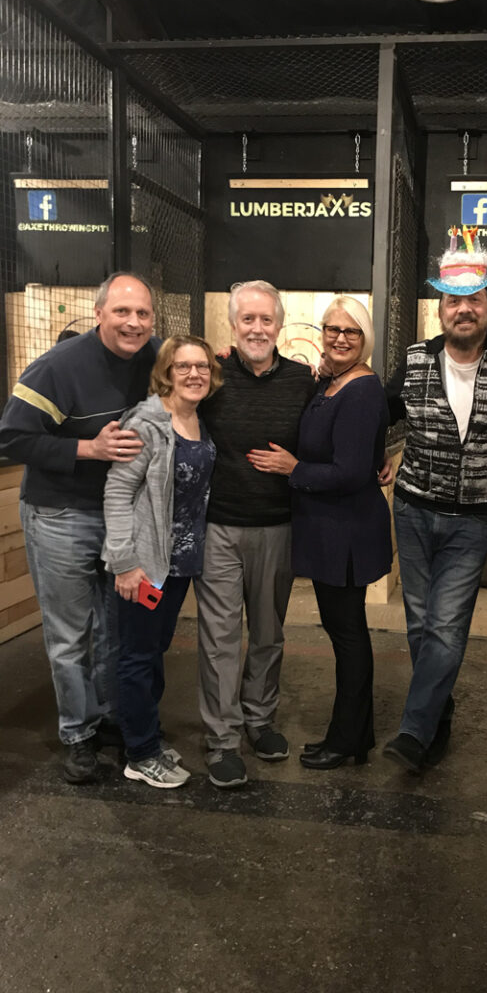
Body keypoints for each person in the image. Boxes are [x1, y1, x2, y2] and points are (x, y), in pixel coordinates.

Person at [382, 229, 487, 774]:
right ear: (440, 309)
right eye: (453, 301)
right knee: (421, 625)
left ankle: (414, 732)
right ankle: (437, 709)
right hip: (414, 509)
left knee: (447, 627)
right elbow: (379, 412)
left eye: (474, 300)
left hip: (471, 521)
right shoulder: (415, 359)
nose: (463, 310)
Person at [0, 272, 158, 784]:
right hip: (60, 516)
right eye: (122, 312)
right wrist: (86, 449)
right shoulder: (56, 368)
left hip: (119, 520)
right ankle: (78, 734)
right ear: (98, 314)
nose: (133, 323)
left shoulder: (152, 358)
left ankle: (111, 718)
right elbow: (11, 439)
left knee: (116, 630)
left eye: (142, 314)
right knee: (71, 638)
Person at [249, 296, 392, 769]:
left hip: (346, 534)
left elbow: (351, 472)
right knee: (343, 630)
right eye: (332, 329)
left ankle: (346, 739)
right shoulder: (332, 383)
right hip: (331, 530)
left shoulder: (362, 389)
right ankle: (357, 734)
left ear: (365, 337)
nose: (340, 338)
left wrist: (294, 469)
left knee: (347, 634)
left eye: (351, 332)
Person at [196, 280, 316, 788]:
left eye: (266, 319)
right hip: (219, 527)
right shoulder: (211, 377)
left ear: (280, 325)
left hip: (278, 528)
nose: (257, 328)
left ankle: (259, 720)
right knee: (220, 639)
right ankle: (223, 739)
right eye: (248, 319)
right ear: (232, 324)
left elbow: (326, 439)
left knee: (268, 634)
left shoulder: (303, 381)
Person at [102, 336, 220, 788]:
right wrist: (125, 563)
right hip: (146, 565)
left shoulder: (196, 419)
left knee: (153, 654)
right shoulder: (148, 423)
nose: (194, 374)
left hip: (180, 565)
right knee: (137, 657)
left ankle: (146, 736)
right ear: (166, 372)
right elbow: (116, 493)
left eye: (202, 367)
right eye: (183, 366)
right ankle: (140, 752)